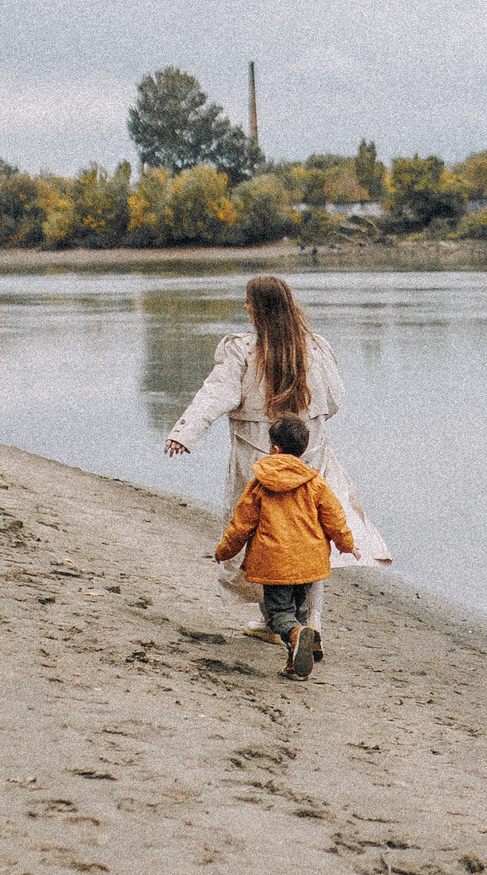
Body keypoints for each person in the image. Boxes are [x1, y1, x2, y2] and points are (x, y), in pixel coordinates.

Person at [165, 274, 389, 638]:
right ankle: (311, 620)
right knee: (314, 532)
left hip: (258, 456)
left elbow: (215, 394)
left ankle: (276, 622)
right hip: (308, 451)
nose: (245, 308)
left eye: (249, 302)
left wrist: (185, 432)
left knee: (262, 532)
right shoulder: (315, 348)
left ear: (260, 308)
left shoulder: (241, 350)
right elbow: (334, 401)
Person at [212, 415, 353, 678]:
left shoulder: (259, 484)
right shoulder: (316, 483)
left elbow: (241, 525)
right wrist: (347, 545)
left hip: (275, 562)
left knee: (279, 615)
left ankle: (298, 635)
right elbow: (335, 519)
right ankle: (296, 655)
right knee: (298, 610)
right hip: (309, 562)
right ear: (303, 449)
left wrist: (224, 551)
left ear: (274, 448)